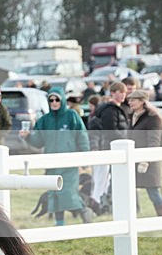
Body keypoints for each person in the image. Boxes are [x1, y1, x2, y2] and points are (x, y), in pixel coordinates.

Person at [20, 89, 92, 225]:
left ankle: (84, 212)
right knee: (55, 194)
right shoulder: (45, 120)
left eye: (57, 99)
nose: (54, 102)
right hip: (51, 164)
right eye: (51, 100)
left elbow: (82, 136)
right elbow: (39, 142)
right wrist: (28, 136)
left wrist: (84, 158)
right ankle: (60, 224)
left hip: (69, 163)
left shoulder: (71, 116)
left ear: (62, 100)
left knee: (68, 192)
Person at [87, 81, 129, 215]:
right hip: (107, 147)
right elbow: (110, 131)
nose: (123, 95)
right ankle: (97, 206)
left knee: (106, 179)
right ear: (113, 93)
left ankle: (102, 206)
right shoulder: (110, 111)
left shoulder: (116, 109)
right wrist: (126, 139)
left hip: (111, 146)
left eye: (124, 93)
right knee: (102, 180)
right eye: (120, 92)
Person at [127, 90, 162, 216]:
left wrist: (146, 160)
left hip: (147, 162)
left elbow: (154, 140)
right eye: (129, 100)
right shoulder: (132, 116)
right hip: (133, 160)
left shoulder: (152, 118)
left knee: (153, 192)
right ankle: (131, 216)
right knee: (129, 190)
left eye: (133, 100)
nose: (130, 102)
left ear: (142, 101)